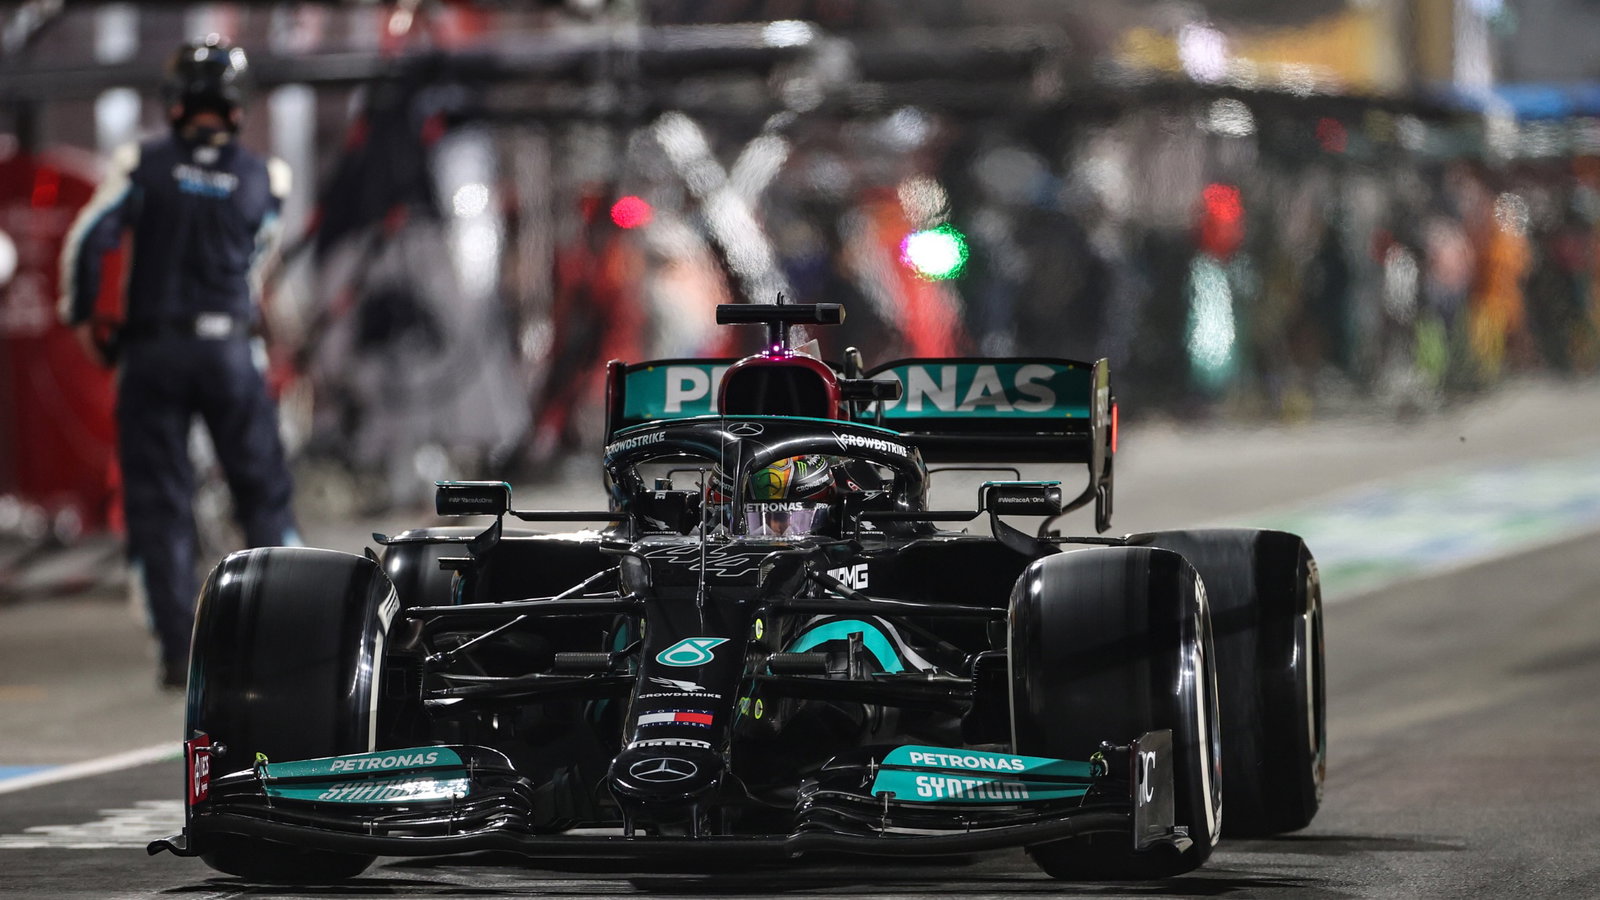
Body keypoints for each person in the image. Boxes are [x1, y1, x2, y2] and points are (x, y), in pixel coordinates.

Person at [58, 36, 300, 689]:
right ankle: (289, 636)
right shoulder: (268, 177)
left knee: (157, 504)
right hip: (228, 350)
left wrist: (82, 318)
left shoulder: (142, 162)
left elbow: (86, 244)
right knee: (263, 495)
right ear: (237, 104)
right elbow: (256, 264)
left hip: (154, 350)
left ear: (175, 101)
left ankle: (176, 651)